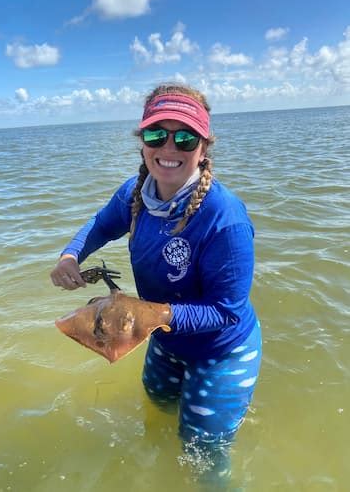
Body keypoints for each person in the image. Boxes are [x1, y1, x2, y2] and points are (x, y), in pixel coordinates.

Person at [50, 83, 262, 485]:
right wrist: (70, 256)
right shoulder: (134, 195)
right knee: (158, 410)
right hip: (164, 342)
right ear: (142, 141)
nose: (169, 147)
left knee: (203, 454)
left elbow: (226, 310)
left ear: (203, 147)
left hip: (221, 352)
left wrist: (153, 313)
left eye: (184, 137)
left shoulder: (225, 218)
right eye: (155, 134)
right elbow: (100, 224)